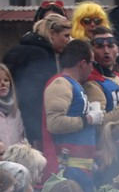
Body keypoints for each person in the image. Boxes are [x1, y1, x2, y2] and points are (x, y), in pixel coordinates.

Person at [42, 39, 104, 192]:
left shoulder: (73, 84)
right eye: (92, 63)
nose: (93, 68)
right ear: (83, 63)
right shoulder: (61, 84)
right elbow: (54, 123)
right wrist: (88, 119)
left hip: (81, 169)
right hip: (70, 170)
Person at [4, 13, 72, 147]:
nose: (69, 40)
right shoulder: (41, 54)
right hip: (29, 126)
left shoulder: (23, 48)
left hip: (11, 118)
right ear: (52, 33)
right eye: (66, 36)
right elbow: (32, 96)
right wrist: (37, 134)